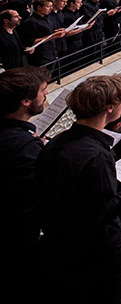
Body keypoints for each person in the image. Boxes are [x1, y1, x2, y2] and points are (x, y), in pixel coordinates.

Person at [35, 74, 121, 304]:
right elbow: (103, 213)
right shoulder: (96, 155)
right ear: (110, 108)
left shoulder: (56, 143)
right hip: (93, 259)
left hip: (57, 250)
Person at [0, 66, 49, 278]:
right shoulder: (25, 147)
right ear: (25, 101)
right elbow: (34, 202)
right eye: (43, 91)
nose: (46, 95)